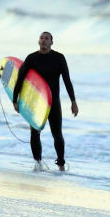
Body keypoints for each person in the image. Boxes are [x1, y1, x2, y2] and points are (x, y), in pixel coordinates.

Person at [13, 31, 78, 171]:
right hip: (35, 103)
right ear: (38, 41)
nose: (43, 40)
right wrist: (15, 99)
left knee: (57, 134)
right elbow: (20, 78)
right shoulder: (31, 58)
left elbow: (67, 80)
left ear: (51, 42)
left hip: (53, 102)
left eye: (46, 38)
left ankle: (61, 164)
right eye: (41, 38)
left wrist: (73, 101)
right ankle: (38, 163)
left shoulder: (59, 58)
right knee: (34, 133)